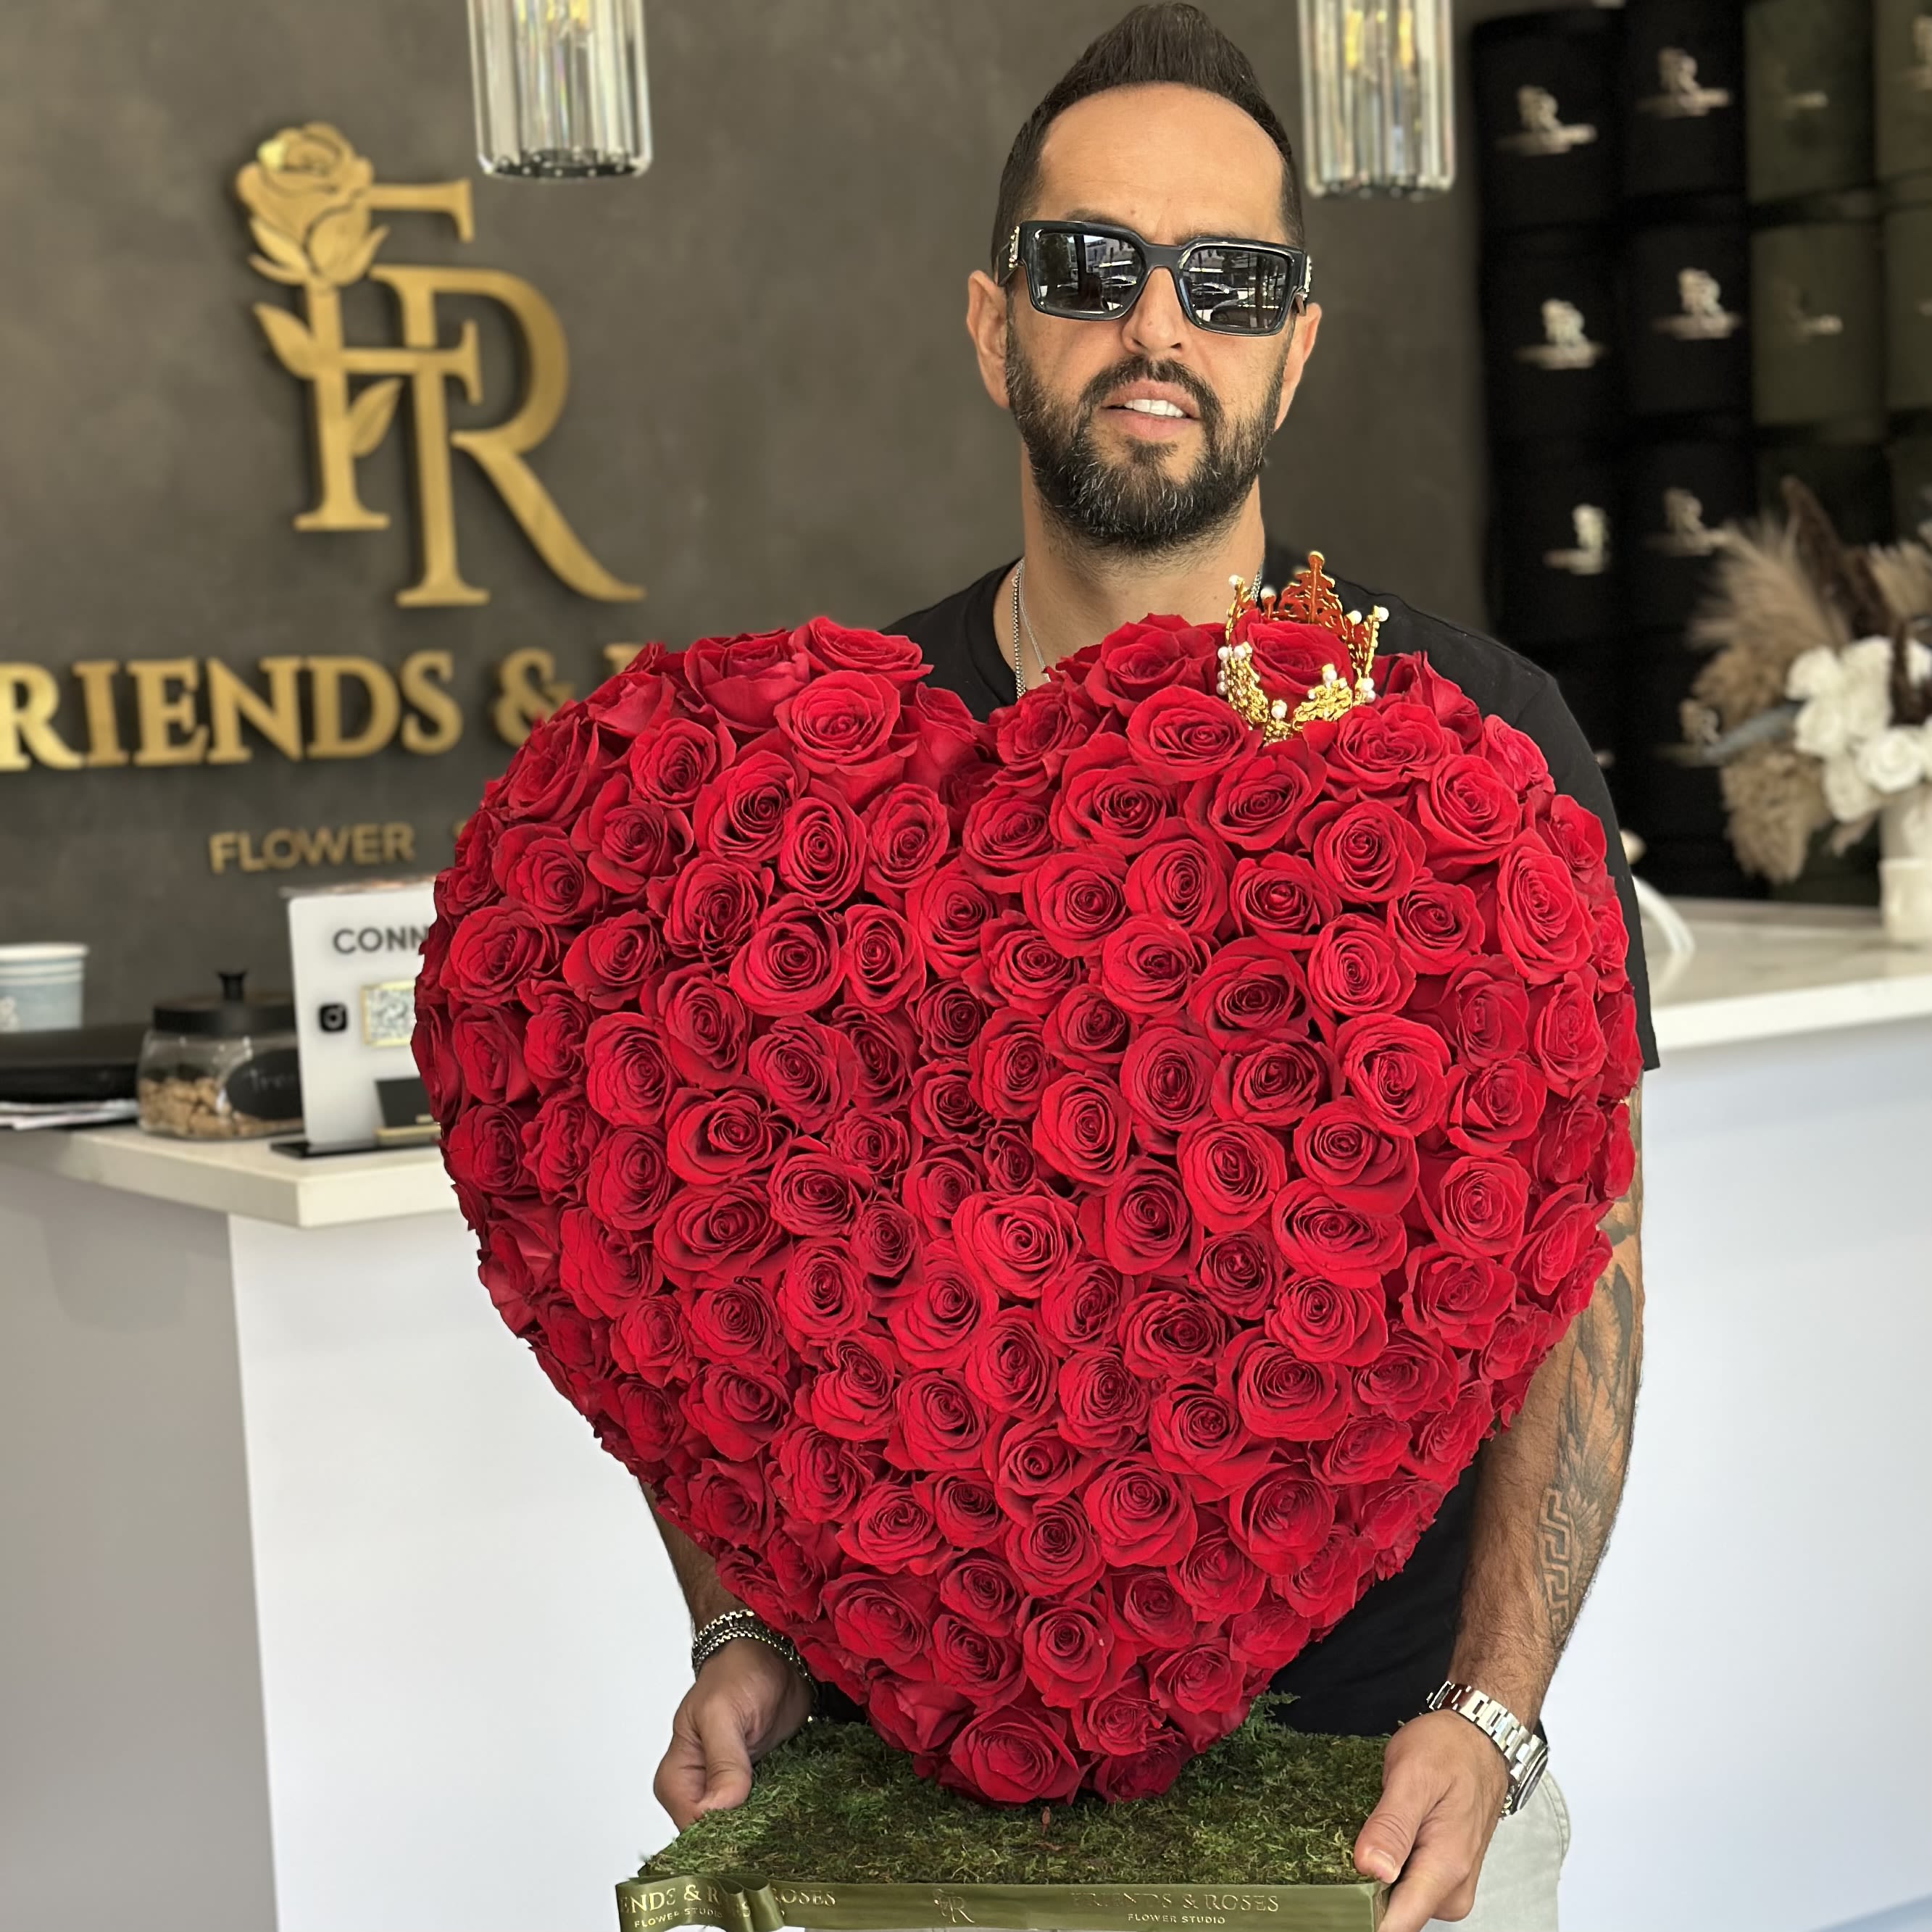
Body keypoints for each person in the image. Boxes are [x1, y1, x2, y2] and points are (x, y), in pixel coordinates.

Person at [649, 11, 1653, 1931]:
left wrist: (1493, 1711)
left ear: (1295, 339)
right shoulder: (829, 764)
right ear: (987, 321)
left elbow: (1579, 1276)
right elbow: (715, 1264)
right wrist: (743, 1618)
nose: (1156, 326)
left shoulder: (1481, 736)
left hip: (1371, 1793)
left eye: (1231, 278)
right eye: (1087, 266)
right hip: (908, 1801)